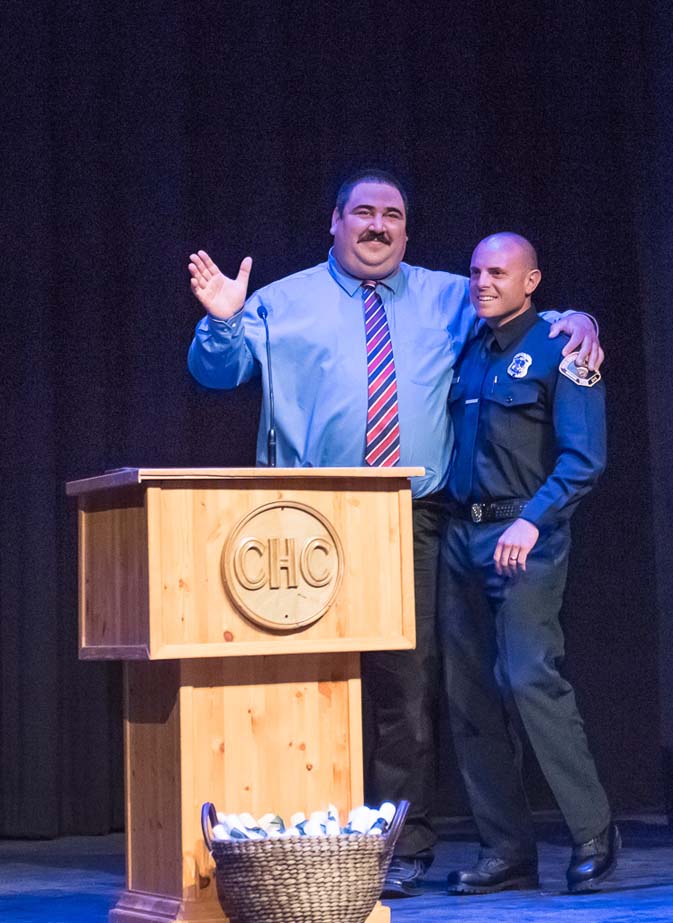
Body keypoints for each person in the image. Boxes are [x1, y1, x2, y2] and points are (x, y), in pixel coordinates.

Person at [187, 171, 603, 897]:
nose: (378, 226)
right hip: (306, 517)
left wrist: (582, 318)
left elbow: (525, 314)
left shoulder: (450, 295)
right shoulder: (282, 301)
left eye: (393, 216)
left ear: (407, 231)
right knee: (302, 681)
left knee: (408, 687)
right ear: (335, 223)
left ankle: (399, 845)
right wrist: (224, 319)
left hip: (414, 514)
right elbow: (218, 374)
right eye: (363, 213)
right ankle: (293, 843)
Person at [439, 232, 618, 896]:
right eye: (475, 270)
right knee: (468, 694)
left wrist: (530, 518)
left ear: (531, 280)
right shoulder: (470, 349)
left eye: (497, 271)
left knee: (526, 677)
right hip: (462, 533)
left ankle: (594, 830)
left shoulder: (564, 347)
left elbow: (583, 459)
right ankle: (506, 848)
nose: (482, 281)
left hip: (526, 532)